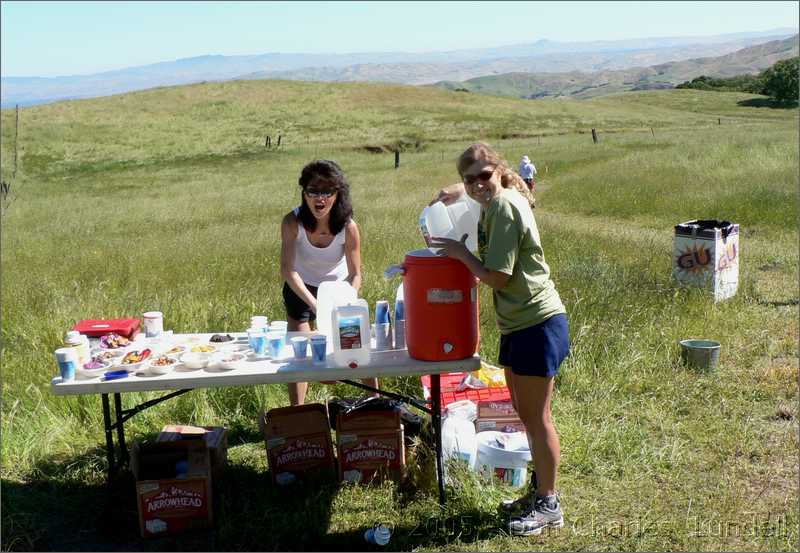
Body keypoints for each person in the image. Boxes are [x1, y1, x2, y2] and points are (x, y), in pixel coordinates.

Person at [429, 143, 569, 537]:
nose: (477, 185)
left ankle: (548, 504)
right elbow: (478, 193)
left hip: (537, 323)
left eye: (483, 176)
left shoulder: (504, 207)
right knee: (525, 417)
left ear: (498, 171)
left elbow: (499, 276)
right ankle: (538, 491)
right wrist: (458, 192)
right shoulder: (494, 201)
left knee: (538, 420)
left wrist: (459, 253)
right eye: (468, 179)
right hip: (518, 325)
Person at [280, 159, 378, 406]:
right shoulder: (292, 222)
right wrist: (315, 305)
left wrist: (348, 302)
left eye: (327, 192)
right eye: (313, 191)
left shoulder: (349, 226)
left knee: (355, 344)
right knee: (300, 356)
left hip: (338, 290)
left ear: (337, 194)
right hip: (301, 287)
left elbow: (356, 273)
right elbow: (288, 269)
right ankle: (298, 412)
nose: (319, 198)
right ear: (304, 193)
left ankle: (376, 404)